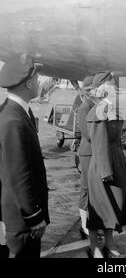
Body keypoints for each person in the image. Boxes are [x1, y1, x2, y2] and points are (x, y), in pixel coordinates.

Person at [0, 57, 49, 258]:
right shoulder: (13, 120)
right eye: (37, 79)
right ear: (28, 83)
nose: (39, 83)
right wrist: (33, 216)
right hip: (21, 219)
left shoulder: (15, 112)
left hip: (19, 215)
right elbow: (18, 175)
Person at [85, 72, 126, 258]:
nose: (115, 87)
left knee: (112, 209)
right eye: (111, 84)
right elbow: (99, 144)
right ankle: (96, 249)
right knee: (99, 211)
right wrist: (106, 171)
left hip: (114, 162)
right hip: (103, 167)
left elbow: (115, 138)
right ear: (103, 89)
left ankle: (110, 245)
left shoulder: (110, 108)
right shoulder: (99, 111)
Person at [77, 75, 95, 239]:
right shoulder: (85, 107)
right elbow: (87, 134)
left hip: (94, 151)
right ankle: (84, 226)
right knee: (86, 189)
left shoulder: (94, 105)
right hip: (88, 152)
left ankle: (92, 224)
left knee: (94, 189)